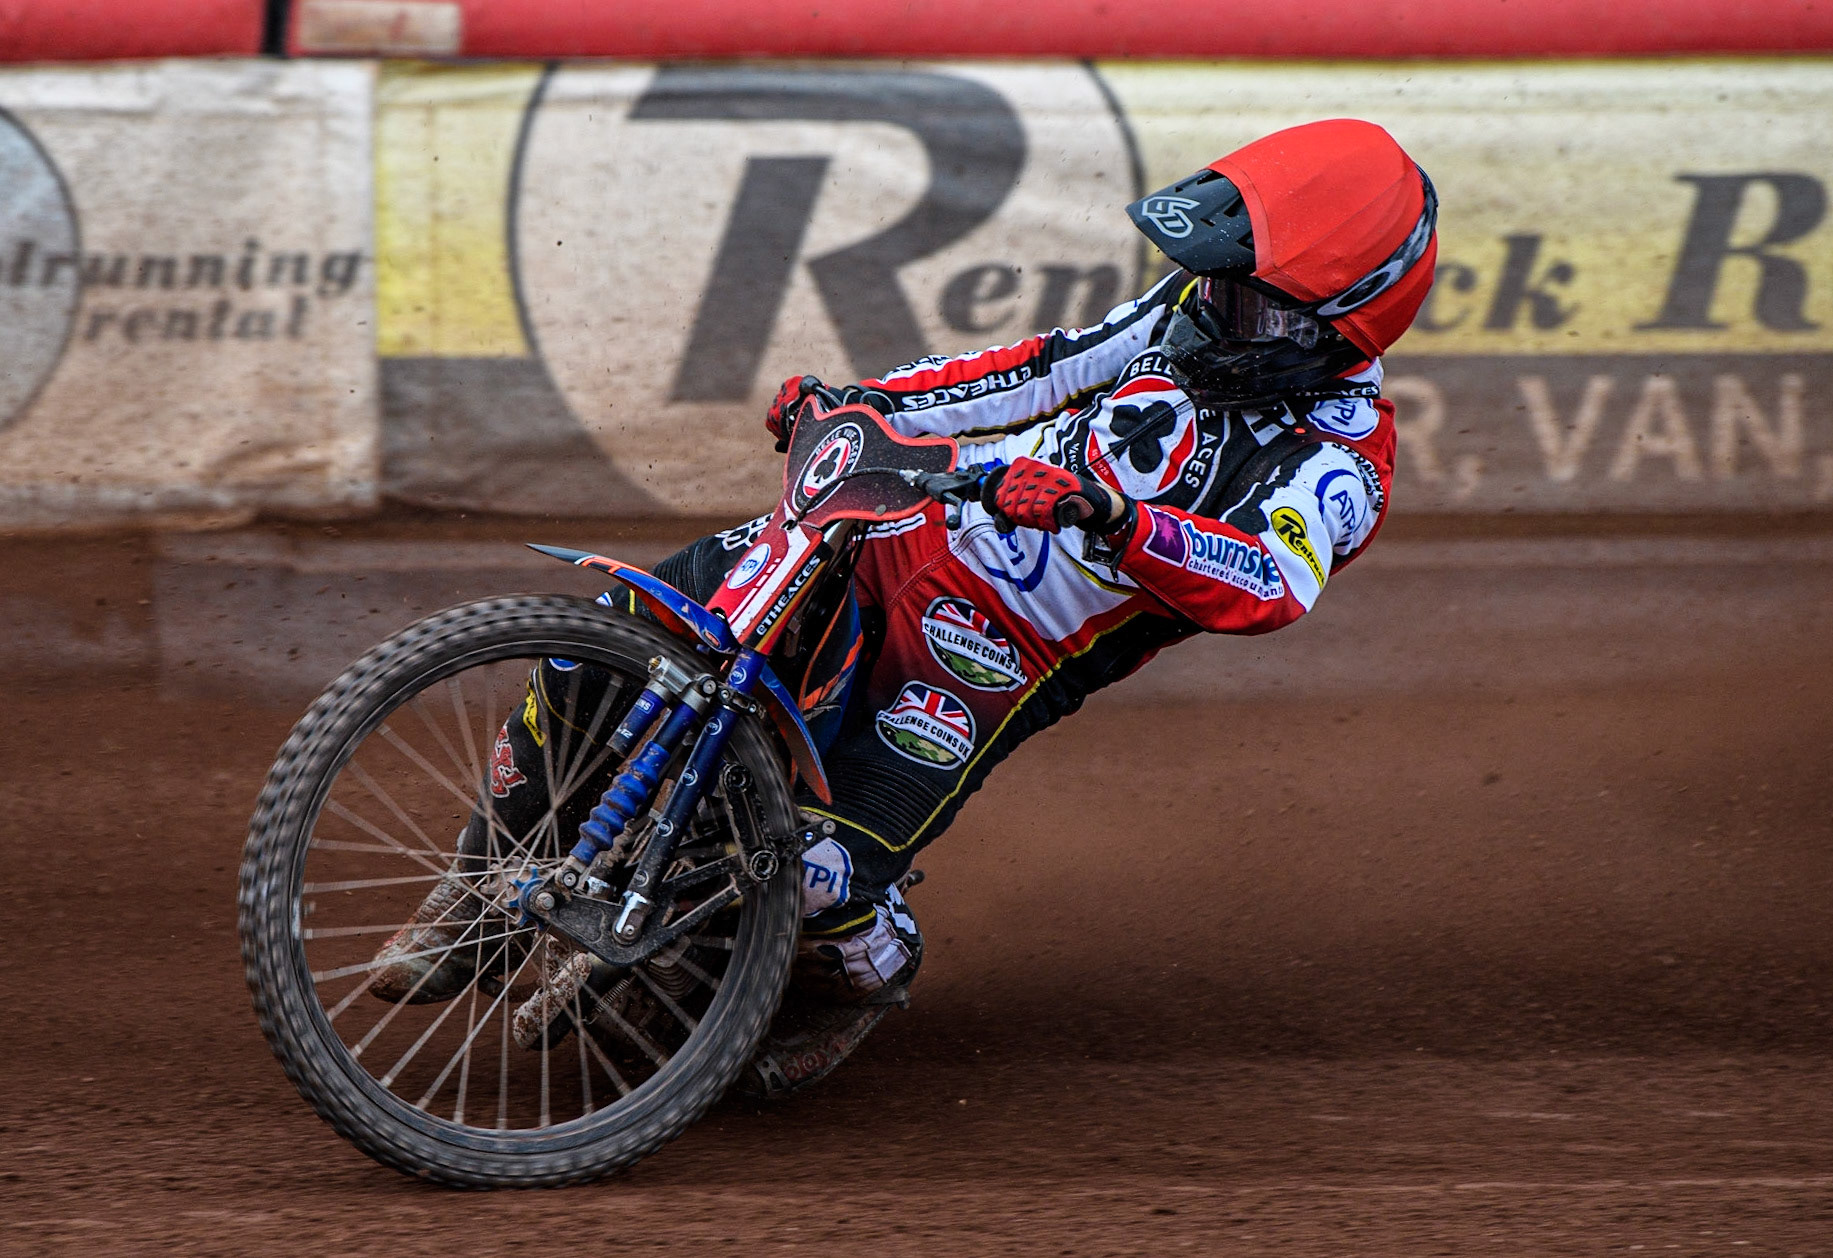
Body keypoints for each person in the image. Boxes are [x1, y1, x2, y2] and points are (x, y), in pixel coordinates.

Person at [371, 118, 1437, 1022]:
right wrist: (867, 407)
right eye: (1210, 283)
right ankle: (472, 893)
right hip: (899, 533)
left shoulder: (1340, 462)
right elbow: (1037, 368)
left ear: (1342, 322)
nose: (1208, 308)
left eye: (1246, 302)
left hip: (998, 656)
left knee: (822, 876)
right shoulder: (1190, 311)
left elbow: (1269, 582)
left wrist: (1110, 518)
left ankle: (850, 971)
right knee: (607, 635)